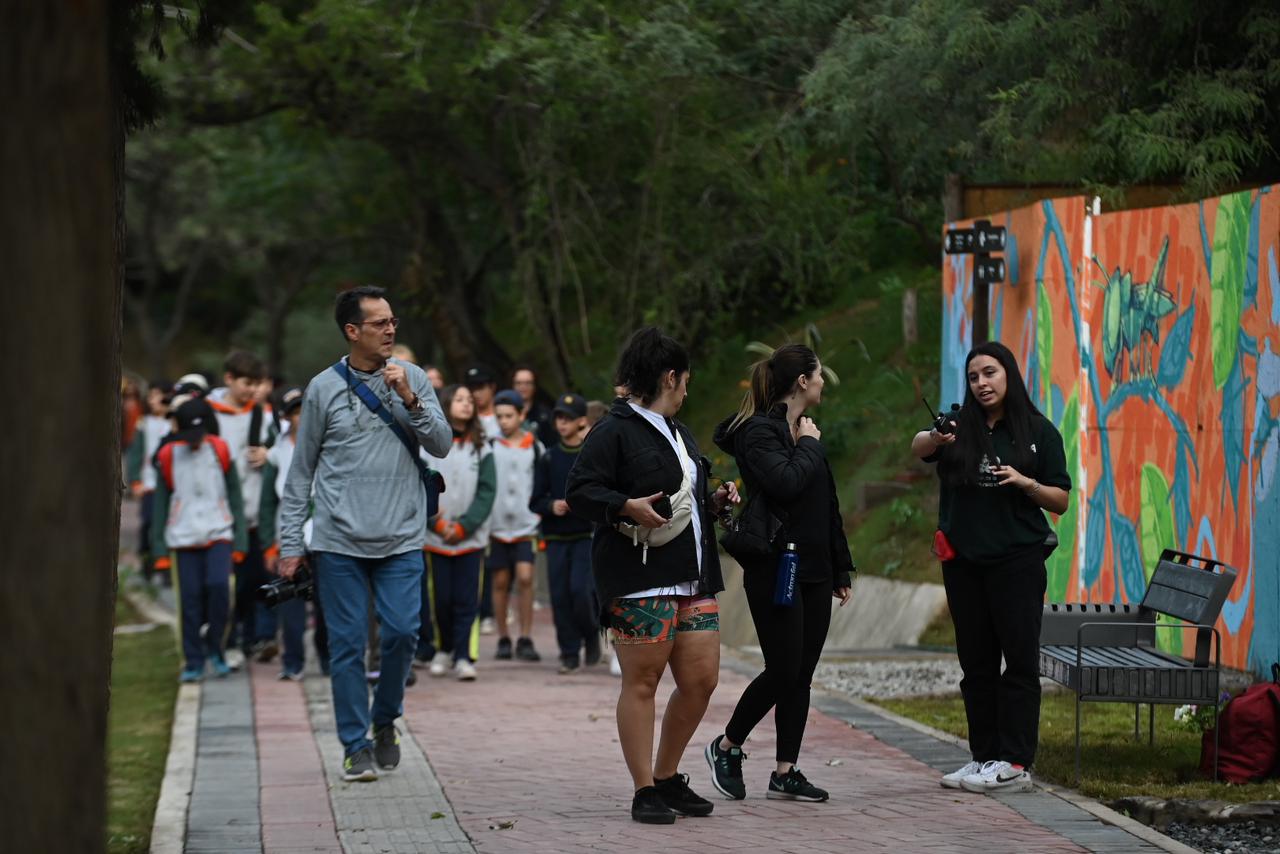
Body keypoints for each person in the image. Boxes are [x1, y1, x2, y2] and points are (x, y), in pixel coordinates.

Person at [276, 285, 451, 783]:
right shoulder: (321, 388)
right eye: (379, 323)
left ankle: (384, 720)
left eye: (393, 321)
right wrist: (292, 544)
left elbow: (440, 444)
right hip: (338, 543)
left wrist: (409, 398)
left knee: (401, 635)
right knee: (347, 647)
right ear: (352, 331)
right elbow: (300, 471)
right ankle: (355, 746)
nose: (391, 329)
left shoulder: (412, 377)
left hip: (400, 537)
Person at [567, 326, 739, 825]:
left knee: (701, 680)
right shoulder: (613, 430)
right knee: (642, 682)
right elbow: (580, 491)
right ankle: (644, 789)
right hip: (639, 579)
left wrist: (713, 502)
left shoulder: (679, 433)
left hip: (692, 576)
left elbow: (679, 503)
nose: (688, 389)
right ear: (670, 377)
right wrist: (623, 505)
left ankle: (667, 776)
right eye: (685, 380)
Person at [910, 340, 1070, 793]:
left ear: (1009, 375)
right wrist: (936, 438)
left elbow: (1060, 498)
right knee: (975, 665)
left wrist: (1025, 482)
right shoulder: (958, 427)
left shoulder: (1039, 431)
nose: (982, 383)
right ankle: (983, 758)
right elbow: (919, 446)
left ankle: (1016, 762)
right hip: (964, 566)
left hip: (1017, 563)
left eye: (990, 373)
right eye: (975, 375)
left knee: (1018, 662)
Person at [706, 343, 855, 805]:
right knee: (784, 668)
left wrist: (840, 565)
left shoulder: (804, 429)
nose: (823, 382)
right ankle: (727, 746)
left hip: (814, 566)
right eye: (819, 375)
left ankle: (785, 771)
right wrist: (808, 444)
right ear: (803, 383)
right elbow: (787, 484)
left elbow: (823, 504)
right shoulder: (759, 433)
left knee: (802, 673)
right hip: (776, 566)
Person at [151, 398, 247, 682]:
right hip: (183, 538)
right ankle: (192, 661)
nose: (193, 442)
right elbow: (160, 503)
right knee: (189, 601)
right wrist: (159, 547)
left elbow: (235, 498)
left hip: (219, 533)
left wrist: (239, 540)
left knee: (220, 590)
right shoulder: (168, 455)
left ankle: (216, 648)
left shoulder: (220, 450)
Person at [421, 384, 496, 681]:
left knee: (467, 598)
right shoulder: (428, 444)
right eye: (459, 399)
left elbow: (487, 491)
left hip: (470, 538)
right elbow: (421, 483)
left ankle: (465, 654)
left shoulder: (482, 446)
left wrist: (465, 526)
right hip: (436, 537)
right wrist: (437, 524)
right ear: (446, 404)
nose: (466, 404)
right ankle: (443, 649)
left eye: (469, 400)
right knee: (441, 598)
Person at [208, 349, 279, 663]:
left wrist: (268, 454)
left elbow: (282, 449)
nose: (252, 390)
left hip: (253, 513)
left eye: (257, 383)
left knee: (253, 580)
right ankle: (225, 638)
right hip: (220, 514)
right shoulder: (208, 413)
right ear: (229, 379)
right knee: (225, 584)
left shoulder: (262, 416)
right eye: (246, 383)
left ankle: (252, 639)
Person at [530, 392, 597, 673]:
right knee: (559, 596)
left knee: (581, 591)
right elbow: (534, 499)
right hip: (556, 537)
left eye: (568, 418)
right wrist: (551, 505)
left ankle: (591, 633)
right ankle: (569, 651)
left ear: (582, 422)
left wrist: (581, 503)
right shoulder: (548, 458)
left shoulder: (591, 456)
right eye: (558, 417)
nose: (562, 423)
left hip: (584, 535)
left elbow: (600, 493)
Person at [486, 389, 544, 662]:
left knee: (525, 577)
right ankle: (503, 637)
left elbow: (541, 483)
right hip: (496, 526)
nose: (504, 421)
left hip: (525, 525)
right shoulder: (489, 445)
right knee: (500, 580)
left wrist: (539, 515)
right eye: (499, 416)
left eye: (509, 416)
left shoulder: (535, 446)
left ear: (521, 415)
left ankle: (526, 635)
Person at [259, 387, 311, 680]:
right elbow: (267, 503)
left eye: (306, 410)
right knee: (290, 604)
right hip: (287, 535)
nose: (302, 417)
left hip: (325, 535)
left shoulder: (329, 444)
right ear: (287, 417)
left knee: (329, 604)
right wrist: (269, 544)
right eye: (296, 412)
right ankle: (292, 661)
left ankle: (328, 657)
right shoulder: (277, 455)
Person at [125, 378, 171, 586]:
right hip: (149, 484)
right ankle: (147, 561)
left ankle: (165, 565)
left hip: (168, 485)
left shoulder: (174, 422)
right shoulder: (144, 424)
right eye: (150, 396)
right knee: (149, 523)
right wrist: (135, 481)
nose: (153, 400)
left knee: (166, 524)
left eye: (157, 395)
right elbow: (136, 453)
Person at [512, 364, 556, 448]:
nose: (523, 387)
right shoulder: (504, 414)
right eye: (518, 383)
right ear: (513, 385)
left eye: (528, 383)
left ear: (534, 386)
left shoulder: (545, 415)